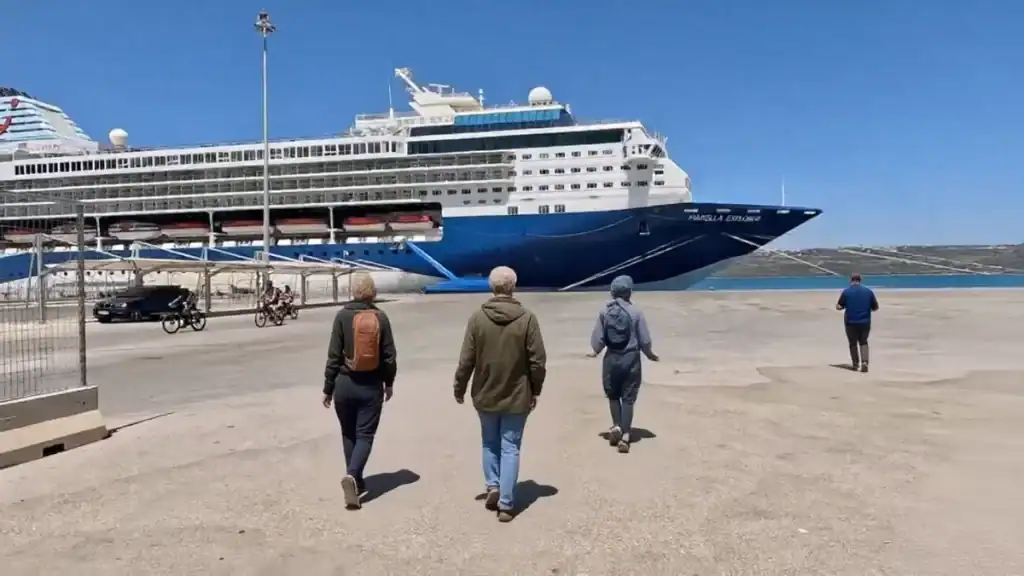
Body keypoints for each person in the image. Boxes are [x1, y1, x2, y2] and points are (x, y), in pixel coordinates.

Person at [454, 266, 547, 523]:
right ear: (513, 286)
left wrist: (459, 388)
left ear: (491, 287)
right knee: (510, 447)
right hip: (518, 395)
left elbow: (466, 360)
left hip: (485, 393)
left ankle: (492, 486)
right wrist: (536, 389)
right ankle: (506, 503)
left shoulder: (477, 319)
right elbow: (537, 360)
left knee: (488, 442)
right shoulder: (528, 319)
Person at [322, 272, 398, 510]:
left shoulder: (342, 316)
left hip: (344, 384)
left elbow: (333, 356)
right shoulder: (381, 317)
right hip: (370, 385)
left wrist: (328, 387)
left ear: (353, 292)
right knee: (365, 435)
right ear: (373, 293)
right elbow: (389, 356)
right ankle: (353, 475)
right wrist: (389, 382)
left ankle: (356, 481)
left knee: (348, 433)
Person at [587, 275, 658, 454]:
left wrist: (595, 351)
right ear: (629, 292)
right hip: (631, 358)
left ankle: (616, 426)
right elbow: (645, 340)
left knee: (613, 395)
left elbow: (598, 339)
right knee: (628, 398)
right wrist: (650, 355)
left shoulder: (605, 311)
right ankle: (625, 434)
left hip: (612, 358)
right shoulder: (636, 312)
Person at [836, 273, 879, 373]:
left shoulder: (846, 292)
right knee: (863, 341)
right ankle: (865, 362)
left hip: (851, 321)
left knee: (853, 343)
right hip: (865, 321)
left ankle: (855, 364)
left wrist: (843, 307)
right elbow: (875, 307)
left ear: (851, 280)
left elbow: (839, 306)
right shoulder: (868, 292)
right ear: (860, 280)